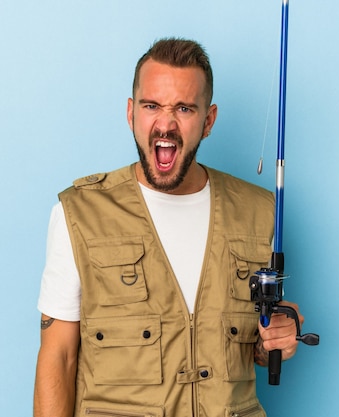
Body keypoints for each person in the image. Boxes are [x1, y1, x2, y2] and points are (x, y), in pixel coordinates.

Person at [34, 38, 305, 417]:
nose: (166, 123)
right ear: (131, 114)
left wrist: (275, 341)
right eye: (151, 106)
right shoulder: (79, 213)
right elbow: (58, 357)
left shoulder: (260, 212)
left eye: (184, 108)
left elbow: (255, 351)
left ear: (208, 121)